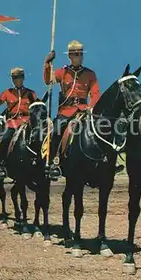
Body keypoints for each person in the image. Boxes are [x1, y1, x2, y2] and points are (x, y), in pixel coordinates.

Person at [43, 40, 100, 179]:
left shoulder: (89, 74)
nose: (78, 57)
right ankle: (54, 163)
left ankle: (103, 160)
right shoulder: (62, 72)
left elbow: (95, 93)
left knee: (101, 129)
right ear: (69, 56)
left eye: (80, 54)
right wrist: (47, 63)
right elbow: (48, 80)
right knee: (56, 131)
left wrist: (91, 107)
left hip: (83, 111)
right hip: (66, 111)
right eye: (75, 54)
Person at [0, 67, 38, 179]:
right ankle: (2, 166)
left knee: (38, 138)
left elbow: (36, 107)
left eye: (18, 77)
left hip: (26, 122)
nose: (16, 80)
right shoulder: (7, 93)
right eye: (14, 78)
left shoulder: (31, 93)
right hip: (12, 123)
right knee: (4, 139)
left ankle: (40, 162)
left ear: (23, 78)